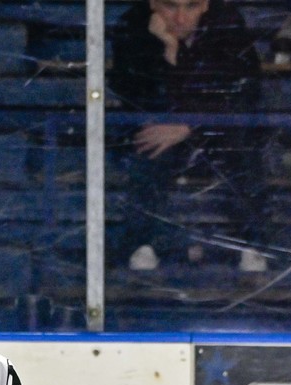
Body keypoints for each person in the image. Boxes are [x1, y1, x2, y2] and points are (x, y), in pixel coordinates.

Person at [107, 0, 271, 277]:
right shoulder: (132, 26)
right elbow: (131, 93)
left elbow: (243, 90)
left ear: (206, 4)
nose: (181, 18)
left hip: (215, 127)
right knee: (148, 144)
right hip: (162, 125)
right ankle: (143, 243)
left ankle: (252, 243)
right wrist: (168, 49)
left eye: (191, 6)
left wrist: (189, 123)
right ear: (152, 4)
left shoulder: (228, 25)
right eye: (170, 7)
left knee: (241, 147)